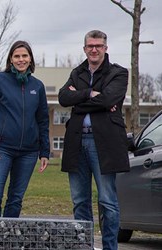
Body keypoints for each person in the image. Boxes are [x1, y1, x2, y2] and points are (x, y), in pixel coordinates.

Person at [58, 30, 129, 250]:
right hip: (76, 142)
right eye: (90, 46)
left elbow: (109, 98)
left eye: (98, 45)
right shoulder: (77, 72)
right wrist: (90, 94)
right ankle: (84, 247)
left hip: (104, 144)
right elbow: (62, 98)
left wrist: (78, 99)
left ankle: (109, 247)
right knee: (80, 201)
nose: (94, 49)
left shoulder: (118, 73)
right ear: (85, 48)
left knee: (107, 201)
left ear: (105, 48)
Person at [0, 40, 50, 218]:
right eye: (17, 56)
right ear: (11, 59)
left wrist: (44, 152)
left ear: (30, 59)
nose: (21, 60)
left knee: (16, 199)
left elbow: (43, 120)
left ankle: (7, 239)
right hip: (0, 150)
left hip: (29, 152)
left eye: (24, 56)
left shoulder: (38, 86)